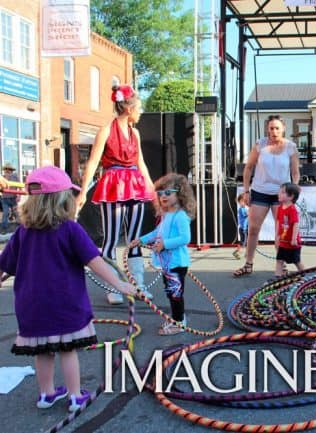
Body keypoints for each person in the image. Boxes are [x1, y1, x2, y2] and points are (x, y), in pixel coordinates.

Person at [0, 166, 136, 411]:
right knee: (67, 350)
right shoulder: (71, 229)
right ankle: (75, 396)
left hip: (31, 306)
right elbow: (95, 262)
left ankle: (46, 394)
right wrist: (119, 283)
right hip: (65, 304)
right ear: (63, 200)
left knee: (43, 351)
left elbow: (5, 265)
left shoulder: (23, 232)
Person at [76, 84, 155, 304]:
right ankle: (114, 286)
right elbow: (92, 162)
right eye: (138, 108)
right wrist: (83, 192)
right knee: (111, 238)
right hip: (113, 185)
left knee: (134, 238)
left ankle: (137, 284)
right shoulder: (106, 131)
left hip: (134, 184)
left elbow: (141, 163)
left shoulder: (135, 133)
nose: (140, 112)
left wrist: (151, 188)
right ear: (129, 109)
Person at [233, 115, 301, 277]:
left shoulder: (290, 147)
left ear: (283, 129)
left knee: (281, 232)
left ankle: (281, 266)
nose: (274, 131)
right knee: (253, 230)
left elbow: (295, 172)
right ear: (267, 129)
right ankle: (248, 264)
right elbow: (248, 168)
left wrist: (293, 190)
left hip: (281, 195)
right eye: (271, 128)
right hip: (260, 191)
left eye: (277, 128)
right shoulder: (260, 145)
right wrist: (247, 190)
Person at [130, 173, 195, 335]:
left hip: (177, 263)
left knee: (175, 294)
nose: (162, 197)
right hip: (168, 264)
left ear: (179, 193)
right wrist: (141, 240)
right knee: (171, 292)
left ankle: (179, 322)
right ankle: (177, 317)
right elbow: (156, 233)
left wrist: (165, 244)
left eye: (168, 192)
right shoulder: (167, 215)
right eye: (159, 194)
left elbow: (185, 238)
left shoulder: (180, 216)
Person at [274, 182, 304, 277]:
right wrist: (277, 236)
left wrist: (294, 238)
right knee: (279, 260)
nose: (279, 194)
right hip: (283, 242)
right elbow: (278, 222)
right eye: (279, 192)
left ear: (291, 196)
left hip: (292, 243)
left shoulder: (292, 209)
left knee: (296, 261)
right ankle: (277, 278)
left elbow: (295, 224)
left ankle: (305, 276)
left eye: (282, 192)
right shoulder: (280, 208)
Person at [1, 163, 19, 232]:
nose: (8, 171)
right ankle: (4, 228)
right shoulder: (2, 178)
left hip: (13, 198)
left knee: (16, 212)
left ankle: (19, 226)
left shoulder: (15, 177)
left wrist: (19, 196)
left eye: (9, 169)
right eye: (6, 169)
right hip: (4, 199)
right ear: (5, 170)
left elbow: (20, 187)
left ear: (12, 170)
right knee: (6, 213)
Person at [233, 192, 248, 259]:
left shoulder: (244, 208)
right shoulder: (241, 209)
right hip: (243, 229)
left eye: (245, 201)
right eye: (242, 201)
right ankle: (237, 252)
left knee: (245, 241)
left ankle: (245, 253)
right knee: (243, 242)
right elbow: (246, 215)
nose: (244, 203)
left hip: (245, 228)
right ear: (239, 202)